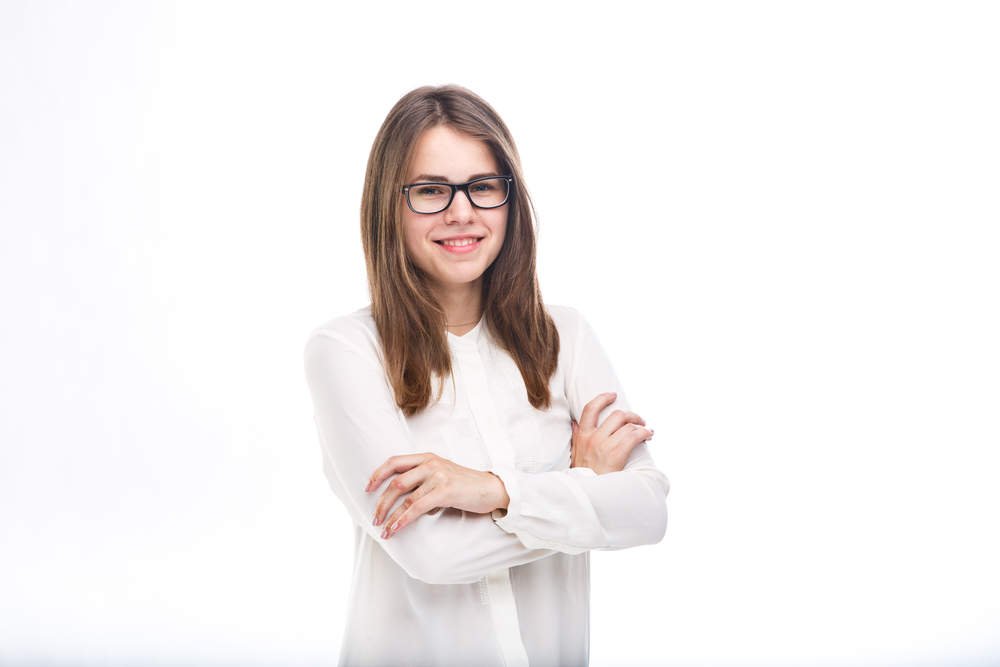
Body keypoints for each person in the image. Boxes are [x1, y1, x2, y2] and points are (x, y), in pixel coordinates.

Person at [304, 85, 669, 667]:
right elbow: (432, 553)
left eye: (482, 186)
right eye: (429, 190)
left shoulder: (565, 336)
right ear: (387, 206)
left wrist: (492, 491)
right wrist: (582, 485)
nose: (461, 212)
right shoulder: (345, 351)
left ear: (510, 199)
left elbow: (648, 510)